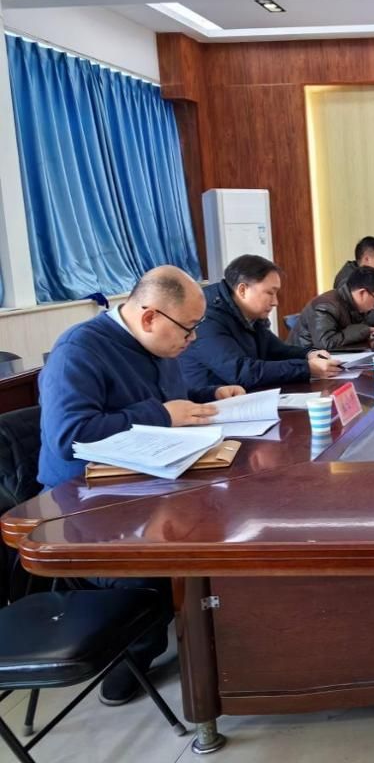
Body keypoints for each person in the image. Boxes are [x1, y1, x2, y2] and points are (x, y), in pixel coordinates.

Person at [37, 265, 245, 706]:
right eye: (188, 328)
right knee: (161, 566)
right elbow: (69, 436)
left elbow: (169, 398)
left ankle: (223, 634)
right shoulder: (79, 350)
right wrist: (164, 415)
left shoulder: (158, 345)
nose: (192, 339)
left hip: (147, 484)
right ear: (150, 317)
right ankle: (133, 655)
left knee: (227, 521)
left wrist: (210, 396)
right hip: (85, 507)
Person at [181, 255, 341, 390]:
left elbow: (276, 351)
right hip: (214, 405)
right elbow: (242, 372)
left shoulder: (250, 315)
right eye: (269, 293)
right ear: (242, 290)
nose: (275, 302)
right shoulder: (207, 319)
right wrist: (307, 368)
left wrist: (309, 354)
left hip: (248, 397)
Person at [290, 265, 374, 351]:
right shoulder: (325, 306)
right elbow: (326, 343)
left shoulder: (354, 306)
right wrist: (364, 331)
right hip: (301, 360)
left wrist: (366, 331)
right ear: (362, 293)